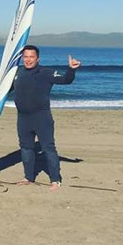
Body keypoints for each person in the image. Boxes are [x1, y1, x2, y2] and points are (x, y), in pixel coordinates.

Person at [12, 45, 81, 192]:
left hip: (41, 117)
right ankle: (28, 177)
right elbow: (4, 89)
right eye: (26, 57)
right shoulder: (17, 73)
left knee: (48, 148)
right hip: (23, 118)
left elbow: (65, 80)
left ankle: (55, 180)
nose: (28, 60)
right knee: (26, 148)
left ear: (37, 58)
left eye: (31, 57)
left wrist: (71, 69)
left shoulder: (45, 72)